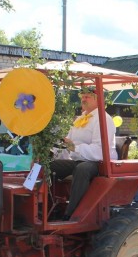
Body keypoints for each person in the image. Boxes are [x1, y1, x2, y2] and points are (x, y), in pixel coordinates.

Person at [49, 87, 117, 220]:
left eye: (88, 96)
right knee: (50, 166)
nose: (83, 99)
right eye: (82, 96)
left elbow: (99, 150)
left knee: (82, 169)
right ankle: (50, 207)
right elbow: (68, 144)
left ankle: (72, 214)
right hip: (79, 159)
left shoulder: (104, 119)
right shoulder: (80, 119)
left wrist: (75, 148)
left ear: (98, 100)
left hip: (99, 162)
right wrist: (54, 150)